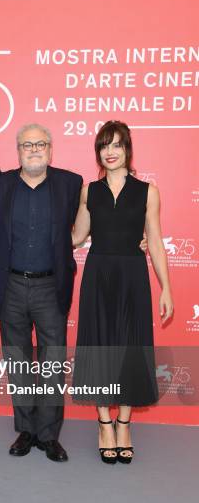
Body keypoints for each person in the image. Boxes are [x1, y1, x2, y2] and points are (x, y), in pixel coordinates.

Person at [72, 120, 173, 464]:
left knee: (130, 346)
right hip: (98, 274)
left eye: (117, 145)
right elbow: (76, 236)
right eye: (104, 146)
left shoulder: (148, 191)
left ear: (128, 149)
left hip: (132, 274)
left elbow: (156, 242)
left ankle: (124, 424)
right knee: (100, 345)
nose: (110, 152)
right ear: (98, 152)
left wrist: (166, 289)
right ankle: (104, 424)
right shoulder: (90, 190)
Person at [0, 124, 83, 462]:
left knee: (53, 361)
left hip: (50, 285)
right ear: (18, 150)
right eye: (27, 144)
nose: (34, 149)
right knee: (18, 360)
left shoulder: (71, 184)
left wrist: (136, 239)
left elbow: (99, 217)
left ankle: (48, 435)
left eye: (41, 143)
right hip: (10, 284)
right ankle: (26, 430)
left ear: (51, 148)